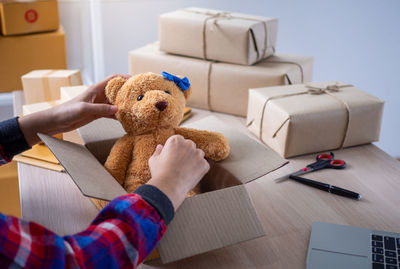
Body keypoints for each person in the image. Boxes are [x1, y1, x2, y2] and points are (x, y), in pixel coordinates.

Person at [0, 75, 210, 268]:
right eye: (139, 97)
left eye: (166, 93)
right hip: (143, 197)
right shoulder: (127, 143)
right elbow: (75, 262)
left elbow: (215, 145)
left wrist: (47, 120)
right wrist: (167, 185)